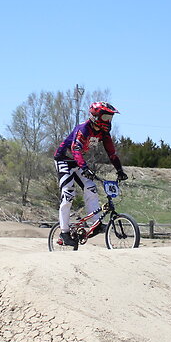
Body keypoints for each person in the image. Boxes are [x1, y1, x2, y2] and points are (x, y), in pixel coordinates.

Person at [53, 101, 128, 247]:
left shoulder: (103, 133)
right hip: (63, 160)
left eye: (110, 118)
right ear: (95, 116)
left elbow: (111, 153)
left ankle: (96, 224)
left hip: (77, 162)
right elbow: (76, 149)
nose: (108, 121)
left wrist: (120, 170)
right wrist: (85, 167)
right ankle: (64, 232)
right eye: (106, 117)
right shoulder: (84, 129)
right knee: (68, 194)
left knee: (91, 189)